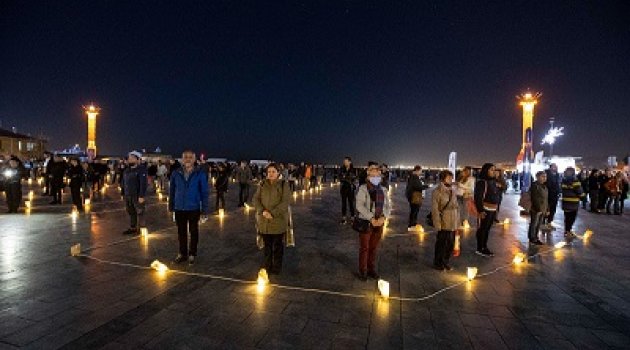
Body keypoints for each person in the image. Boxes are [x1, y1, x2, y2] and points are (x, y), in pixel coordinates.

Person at [169, 150, 209, 264]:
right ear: (182, 159)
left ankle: (192, 253)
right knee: (181, 232)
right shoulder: (176, 173)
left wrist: (204, 210)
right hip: (179, 208)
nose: (187, 159)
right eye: (185, 157)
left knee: (194, 231)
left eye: (190, 157)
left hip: (194, 208)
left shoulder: (200, 173)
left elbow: (204, 192)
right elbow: (172, 191)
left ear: (194, 159)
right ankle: (182, 253)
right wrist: (171, 207)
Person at [355, 162, 391, 281]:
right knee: (365, 247)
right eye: (372, 171)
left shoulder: (383, 189)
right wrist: (371, 218)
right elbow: (359, 205)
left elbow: (388, 206)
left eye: (377, 171)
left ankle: (371, 268)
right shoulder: (363, 188)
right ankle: (363, 270)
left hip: (379, 222)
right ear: (368, 174)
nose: (375, 174)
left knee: (374, 247)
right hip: (366, 221)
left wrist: (383, 217)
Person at [253, 163, 290, 274]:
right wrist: (262, 211)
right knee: (267, 247)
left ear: (278, 172)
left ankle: (277, 267)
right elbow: (256, 199)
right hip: (264, 222)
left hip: (278, 221)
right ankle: (267, 266)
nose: (271, 174)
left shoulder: (284, 184)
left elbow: (285, 202)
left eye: (273, 171)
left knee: (277, 247)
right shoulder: (263, 184)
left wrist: (272, 213)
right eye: (269, 172)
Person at [431, 170, 459, 270]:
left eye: (451, 177)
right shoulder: (437, 191)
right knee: (441, 243)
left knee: (450, 244)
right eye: (449, 178)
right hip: (444, 221)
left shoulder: (453, 190)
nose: (451, 179)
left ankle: (445, 261)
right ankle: (438, 263)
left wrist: (458, 221)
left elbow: (456, 206)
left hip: (453, 221)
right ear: (443, 179)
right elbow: (435, 209)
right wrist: (437, 224)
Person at [474, 163, 499, 257]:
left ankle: (485, 246)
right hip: (485, 209)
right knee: (482, 229)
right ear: (486, 171)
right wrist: (480, 210)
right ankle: (480, 248)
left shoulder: (493, 182)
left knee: (487, 229)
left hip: (492, 209)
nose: (494, 172)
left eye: (494, 170)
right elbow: (478, 197)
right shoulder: (482, 182)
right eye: (491, 170)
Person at [121, 151, 148, 235]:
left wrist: (141, 195)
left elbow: (143, 183)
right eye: (129, 158)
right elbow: (123, 182)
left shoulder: (141, 170)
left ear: (137, 159)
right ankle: (133, 227)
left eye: (132, 158)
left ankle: (141, 228)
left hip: (137, 195)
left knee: (140, 212)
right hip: (128, 195)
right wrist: (123, 193)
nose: (130, 159)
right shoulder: (126, 170)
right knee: (131, 211)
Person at [560, 167, 584, 238]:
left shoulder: (563, 181)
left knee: (567, 218)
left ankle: (567, 231)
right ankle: (568, 231)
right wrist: (583, 197)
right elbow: (579, 192)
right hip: (573, 203)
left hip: (565, 202)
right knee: (572, 218)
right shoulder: (575, 181)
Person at [528, 171, 548, 245]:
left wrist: (547, 209)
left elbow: (546, 198)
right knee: (534, 224)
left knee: (538, 224)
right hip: (536, 209)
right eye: (543, 176)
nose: (544, 178)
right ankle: (532, 238)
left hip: (543, 208)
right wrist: (538, 209)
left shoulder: (544, 186)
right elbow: (534, 198)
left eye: (545, 176)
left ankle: (536, 237)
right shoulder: (534, 185)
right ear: (537, 177)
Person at [406, 165, 427, 230]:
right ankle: (412, 225)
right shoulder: (414, 177)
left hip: (411, 196)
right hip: (414, 197)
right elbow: (418, 186)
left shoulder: (412, 176)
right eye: (420, 171)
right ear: (417, 170)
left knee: (413, 211)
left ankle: (412, 224)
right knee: (414, 211)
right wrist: (426, 186)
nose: (421, 172)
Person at [339, 157, 356, 224]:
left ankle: (352, 216)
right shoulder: (342, 169)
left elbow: (353, 178)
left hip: (350, 188)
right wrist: (346, 178)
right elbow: (340, 177)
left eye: (346, 161)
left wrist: (345, 177)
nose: (344, 163)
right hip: (343, 188)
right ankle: (344, 217)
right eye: (344, 161)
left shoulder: (353, 169)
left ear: (350, 162)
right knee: (344, 203)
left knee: (351, 203)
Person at [544, 163, 561, 230]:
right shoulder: (546, 174)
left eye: (556, 167)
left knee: (553, 210)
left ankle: (549, 222)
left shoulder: (557, 174)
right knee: (546, 209)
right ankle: (543, 223)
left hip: (555, 195)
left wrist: (559, 191)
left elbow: (558, 184)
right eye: (554, 167)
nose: (556, 168)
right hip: (548, 194)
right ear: (550, 167)